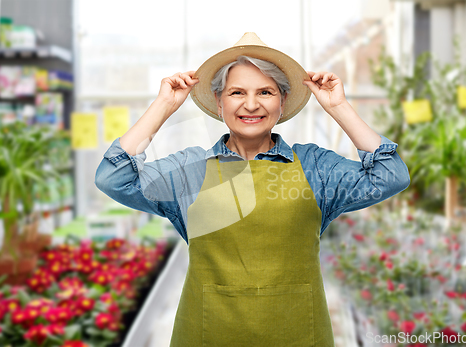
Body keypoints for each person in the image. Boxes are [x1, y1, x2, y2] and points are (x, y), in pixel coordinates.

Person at [95, 32, 410, 346]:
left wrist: (339, 107)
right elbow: (114, 178)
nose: (251, 104)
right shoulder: (189, 172)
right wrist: (163, 105)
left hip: (299, 335)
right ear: (219, 103)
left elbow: (390, 176)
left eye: (265, 92)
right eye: (236, 93)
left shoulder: (315, 167)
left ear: (282, 102)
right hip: (207, 336)